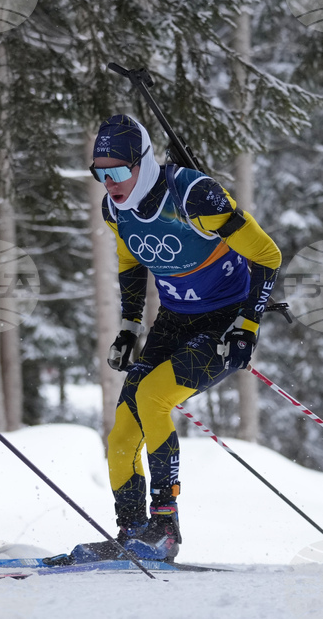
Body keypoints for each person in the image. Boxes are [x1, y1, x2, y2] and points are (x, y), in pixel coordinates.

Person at [56, 114, 281, 564]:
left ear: (143, 163)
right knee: (121, 434)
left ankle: (165, 526)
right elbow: (129, 261)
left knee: (155, 398)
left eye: (118, 170)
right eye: (100, 173)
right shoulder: (113, 208)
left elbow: (268, 256)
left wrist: (248, 326)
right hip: (174, 321)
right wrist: (129, 326)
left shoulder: (196, 195)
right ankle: (131, 532)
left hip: (224, 321)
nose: (110, 182)